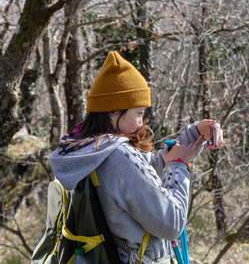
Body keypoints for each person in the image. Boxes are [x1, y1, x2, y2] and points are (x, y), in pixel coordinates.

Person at [49, 51, 223, 264]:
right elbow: (172, 223)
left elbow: (148, 171)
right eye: (138, 113)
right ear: (114, 112)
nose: (141, 123)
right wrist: (179, 167)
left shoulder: (89, 150)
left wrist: (195, 133)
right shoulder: (119, 157)